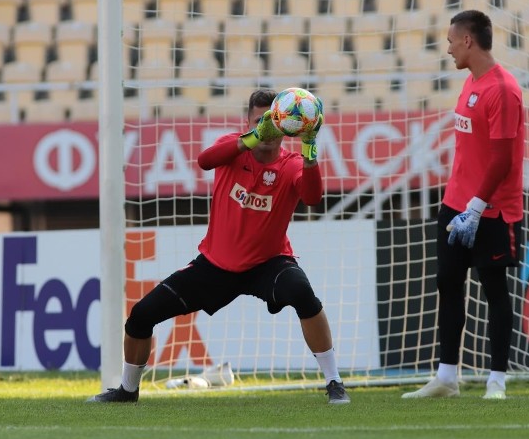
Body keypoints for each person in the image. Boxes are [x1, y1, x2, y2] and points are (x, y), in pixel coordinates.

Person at [89, 88, 350, 404]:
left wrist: (310, 150)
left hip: (269, 264)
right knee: (142, 315)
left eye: (274, 121)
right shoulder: (233, 147)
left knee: (303, 294)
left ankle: (334, 381)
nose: (268, 127)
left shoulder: (292, 164)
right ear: (248, 121)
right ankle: (127, 391)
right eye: (260, 120)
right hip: (215, 266)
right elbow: (204, 160)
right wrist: (253, 137)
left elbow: (312, 198)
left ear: (287, 126)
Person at [402, 10, 525, 401]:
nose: (449, 47)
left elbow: (502, 160)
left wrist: (476, 206)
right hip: (455, 205)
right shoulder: (471, 82)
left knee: (494, 288)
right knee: (448, 283)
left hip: (492, 210)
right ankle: (447, 377)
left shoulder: (503, 90)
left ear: (468, 41)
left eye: (452, 40)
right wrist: (460, 205)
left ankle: (497, 381)